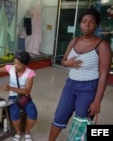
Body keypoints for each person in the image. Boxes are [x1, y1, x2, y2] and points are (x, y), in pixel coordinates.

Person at [48, 9, 112, 141]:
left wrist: (97, 101)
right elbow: (63, 61)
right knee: (59, 116)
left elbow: (104, 75)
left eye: (91, 22)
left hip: (88, 88)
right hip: (70, 85)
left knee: (83, 121)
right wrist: (69, 63)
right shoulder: (74, 41)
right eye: (84, 21)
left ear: (97, 25)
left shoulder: (102, 45)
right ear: (80, 24)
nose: (87, 25)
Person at [0, 51, 38, 141]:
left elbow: (27, 90)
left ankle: (27, 132)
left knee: (33, 113)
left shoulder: (30, 73)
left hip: (25, 97)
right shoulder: (10, 68)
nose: (15, 65)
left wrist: (10, 88)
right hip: (12, 97)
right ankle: (18, 132)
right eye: (14, 62)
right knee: (14, 113)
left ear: (25, 65)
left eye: (18, 64)